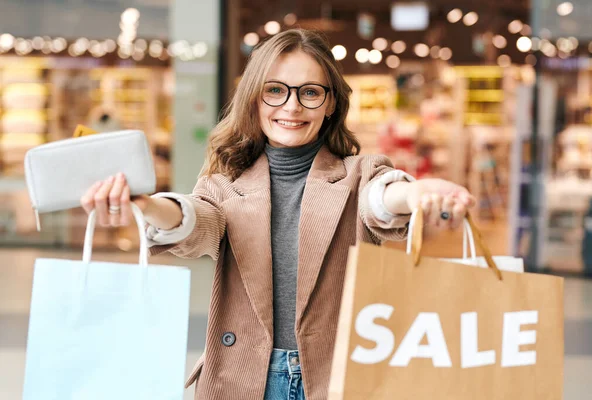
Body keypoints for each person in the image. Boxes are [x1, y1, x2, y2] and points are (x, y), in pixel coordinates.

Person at [80, 29, 475, 400]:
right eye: (275, 91)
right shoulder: (225, 184)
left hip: (338, 377)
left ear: (331, 102)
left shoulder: (359, 174)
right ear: (254, 98)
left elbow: (380, 200)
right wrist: (146, 204)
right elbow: (196, 220)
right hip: (243, 377)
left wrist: (416, 192)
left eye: (309, 92)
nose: (292, 106)